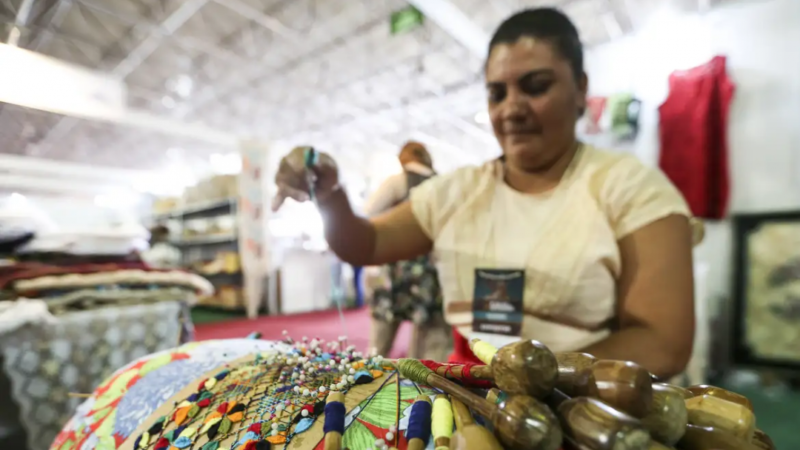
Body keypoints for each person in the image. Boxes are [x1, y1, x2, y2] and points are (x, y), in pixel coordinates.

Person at [273, 8, 698, 378]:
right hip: (472, 399)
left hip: (588, 404)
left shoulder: (633, 189)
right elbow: (365, 242)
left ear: (581, 88)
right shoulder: (457, 192)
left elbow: (662, 343)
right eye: (497, 93)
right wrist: (329, 195)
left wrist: (535, 378)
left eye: (535, 86)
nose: (511, 108)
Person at [361, 141, 450, 361]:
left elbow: (368, 213)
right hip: (431, 273)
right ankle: (421, 390)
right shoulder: (442, 184)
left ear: (403, 158)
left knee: (380, 341)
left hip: (394, 270)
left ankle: (368, 379)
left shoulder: (397, 181)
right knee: (430, 346)